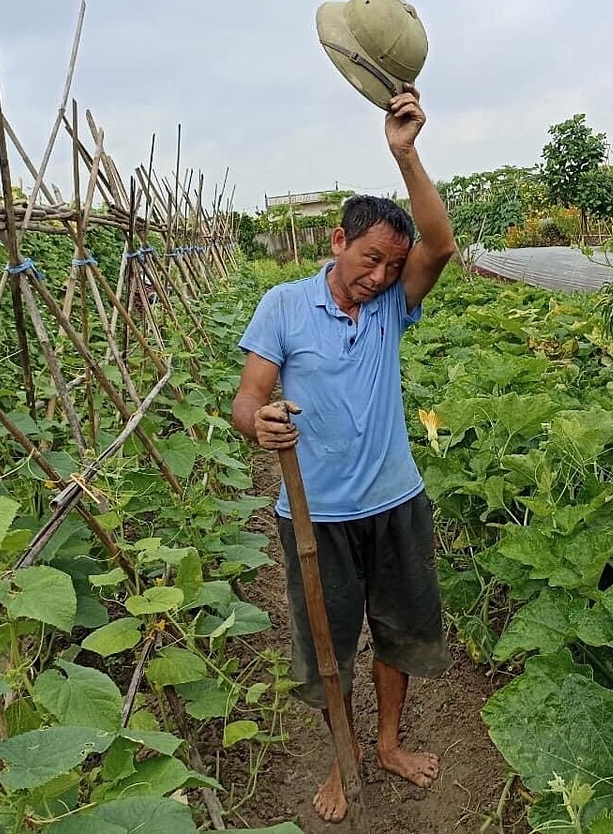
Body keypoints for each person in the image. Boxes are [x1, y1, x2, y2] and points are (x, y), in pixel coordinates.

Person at [231, 89, 457, 823]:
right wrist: (260, 424)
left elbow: (440, 246)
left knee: (399, 632)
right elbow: (247, 399)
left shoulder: (393, 305)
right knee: (330, 648)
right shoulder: (284, 306)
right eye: (370, 259)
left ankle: (387, 743)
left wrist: (405, 153)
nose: (381, 276)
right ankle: (343, 754)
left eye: (393, 264)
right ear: (338, 241)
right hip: (315, 515)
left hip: (395, 501)